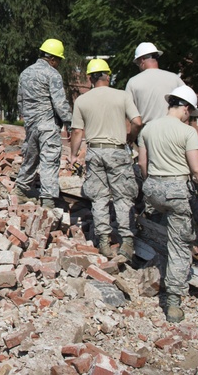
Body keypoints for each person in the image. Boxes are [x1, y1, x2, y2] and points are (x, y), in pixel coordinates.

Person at [137, 85, 198, 323]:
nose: (189, 116)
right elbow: (197, 169)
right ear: (185, 108)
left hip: (153, 188)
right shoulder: (187, 132)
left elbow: (143, 164)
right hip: (177, 191)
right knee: (179, 244)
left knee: (186, 221)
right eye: (190, 112)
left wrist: (152, 186)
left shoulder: (148, 128)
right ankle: (173, 302)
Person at [69, 58, 143, 259]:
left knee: (99, 197)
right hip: (117, 151)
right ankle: (127, 242)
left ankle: (103, 241)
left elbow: (77, 131)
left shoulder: (82, 100)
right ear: (108, 75)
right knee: (123, 196)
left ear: (89, 78)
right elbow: (137, 121)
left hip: (95, 151)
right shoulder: (122, 96)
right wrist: (131, 138)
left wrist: (73, 154)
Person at [15, 38, 72, 210]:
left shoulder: (25, 73)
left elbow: (20, 101)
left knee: (31, 157)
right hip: (48, 125)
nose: (59, 64)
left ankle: (21, 190)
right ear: (53, 59)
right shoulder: (53, 74)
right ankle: (47, 201)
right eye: (59, 61)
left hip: (31, 125)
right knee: (49, 160)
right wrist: (70, 123)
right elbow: (60, 103)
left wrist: (28, 120)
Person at [125, 42, 184, 126]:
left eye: (137, 63)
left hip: (147, 132)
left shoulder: (133, 82)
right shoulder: (174, 78)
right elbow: (188, 103)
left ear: (141, 60)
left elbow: (129, 112)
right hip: (172, 130)